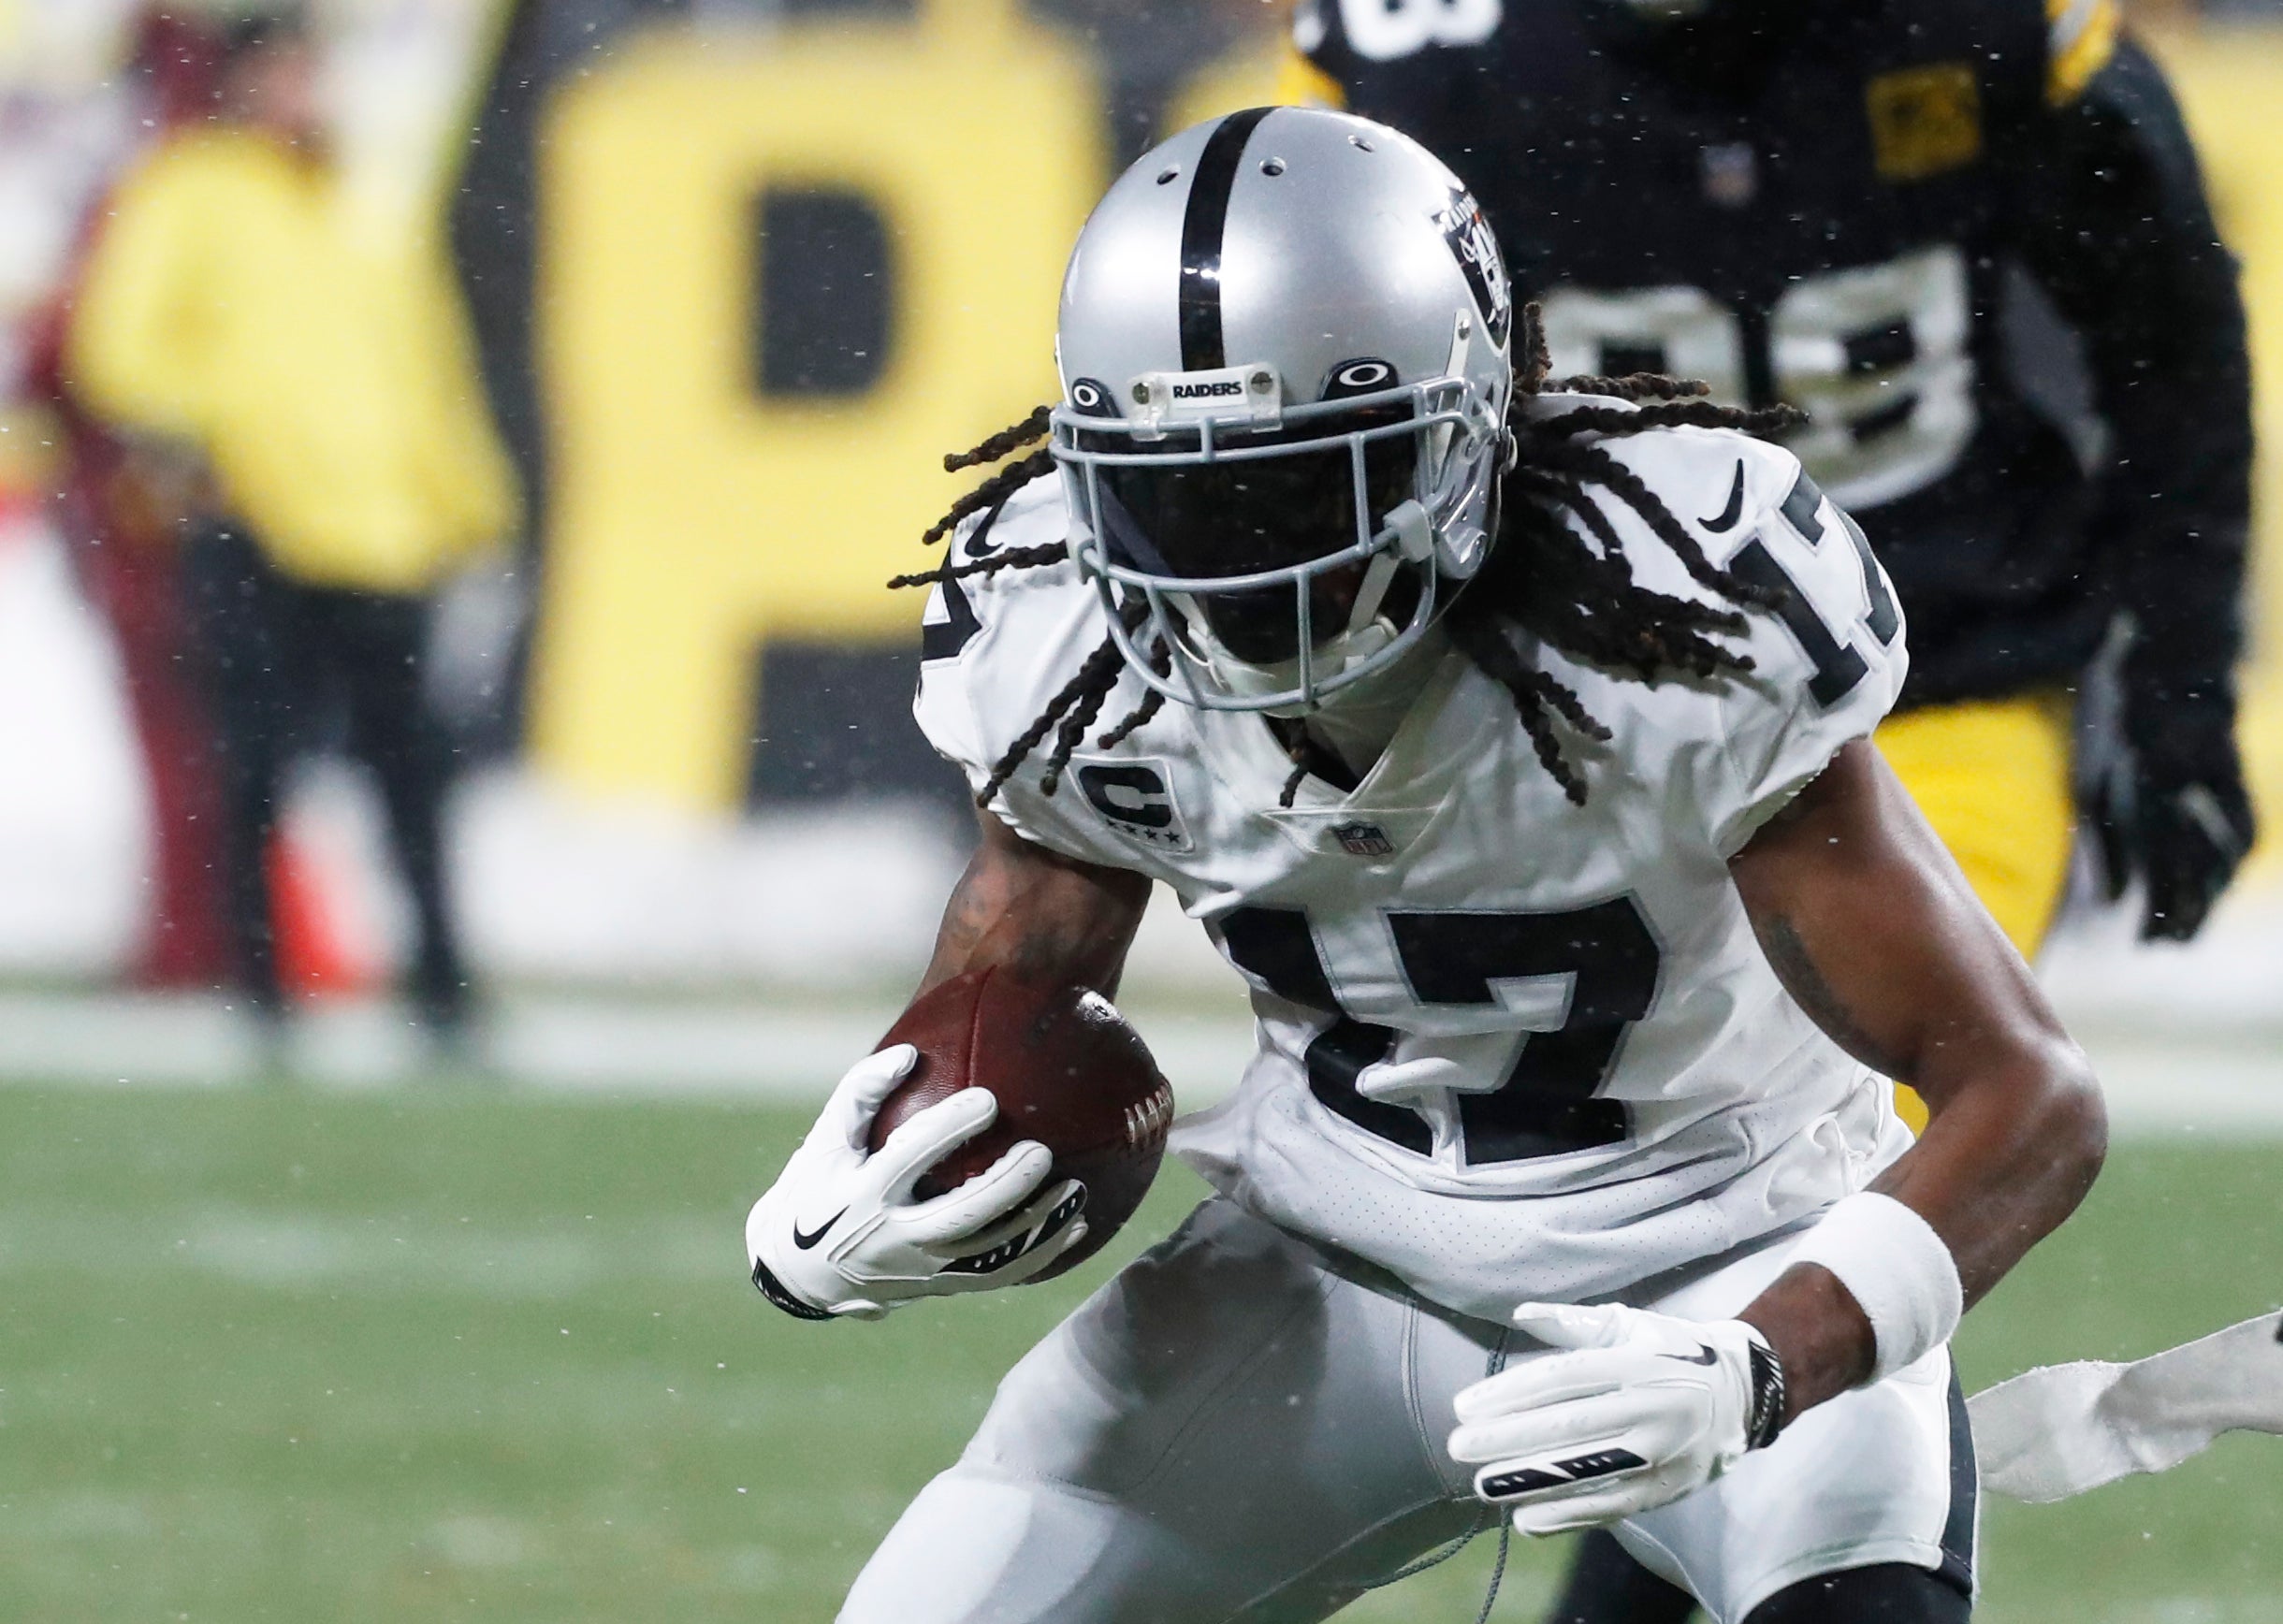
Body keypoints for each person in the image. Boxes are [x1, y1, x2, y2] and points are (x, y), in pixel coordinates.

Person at [743, 108, 2105, 1622]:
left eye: (1290, 488)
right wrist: (881, 1161)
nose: (1234, 568)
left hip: (1723, 1256)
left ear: (1469, 433)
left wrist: (1769, 1355)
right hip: (1322, 1266)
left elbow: (2026, 1095)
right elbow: (1018, 983)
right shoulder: (1054, 625)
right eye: (1175, 493)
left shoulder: (1673, 608)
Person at [1282, 6, 2252, 1614]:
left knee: (1835, 1175)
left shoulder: (1989, 30)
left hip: (1933, 689)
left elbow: (2172, 332)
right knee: (1622, 1172)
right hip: (1597, 707)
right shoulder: (1426, 59)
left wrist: (2183, 684)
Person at [65, 5, 516, 1044]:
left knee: (411, 771)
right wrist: (213, 441)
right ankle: (261, 989)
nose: (304, 96)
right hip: (256, 521)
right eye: (283, 75)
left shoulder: (365, 201)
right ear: (240, 84)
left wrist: (471, 508)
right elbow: (120, 344)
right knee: (256, 764)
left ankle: (442, 983)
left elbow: (425, 375)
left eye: (312, 74)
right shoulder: (191, 189)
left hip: (381, 535)